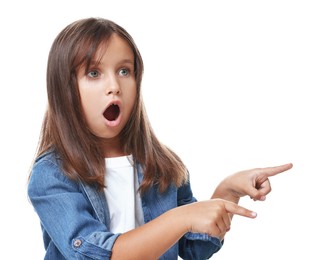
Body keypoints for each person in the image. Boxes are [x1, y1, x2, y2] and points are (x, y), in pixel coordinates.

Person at [27, 17, 293, 260]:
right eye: (94, 73)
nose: (114, 86)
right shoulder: (52, 175)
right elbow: (92, 254)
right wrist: (181, 218)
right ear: (65, 90)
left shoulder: (162, 164)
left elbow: (193, 247)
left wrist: (227, 192)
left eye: (124, 71)